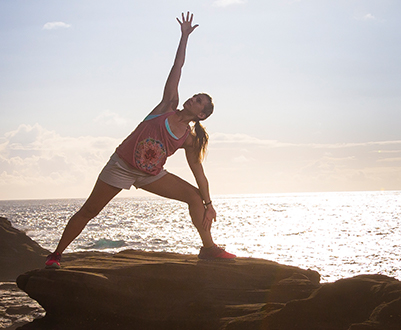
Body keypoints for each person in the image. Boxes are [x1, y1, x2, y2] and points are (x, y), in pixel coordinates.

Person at [45, 12, 236, 269]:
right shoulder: (167, 106)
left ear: (201, 115)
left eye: (199, 101)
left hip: (150, 175)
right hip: (122, 166)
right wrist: (184, 37)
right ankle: (56, 255)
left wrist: (209, 204)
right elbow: (177, 68)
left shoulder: (189, 140)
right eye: (195, 96)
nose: (193, 99)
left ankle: (209, 248)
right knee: (90, 211)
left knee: (193, 196)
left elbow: (198, 173)